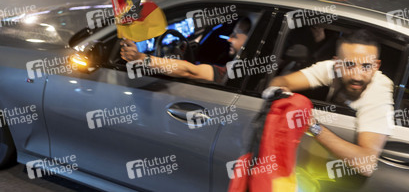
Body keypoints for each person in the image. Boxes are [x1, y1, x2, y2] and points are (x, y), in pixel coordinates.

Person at [268, 29, 394, 176]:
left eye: (366, 66)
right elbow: (280, 81)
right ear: (337, 64)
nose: (357, 76)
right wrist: (282, 94)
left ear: (376, 66)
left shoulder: (379, 91)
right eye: (349, 65)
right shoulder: (332, 69)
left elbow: (366, 164)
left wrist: (312, 125)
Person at [120, 18, 252, 84]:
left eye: (235, 36)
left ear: (249, 40)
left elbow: (189, 71)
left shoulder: (230, 72)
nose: (228, 39)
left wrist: (142, 58)